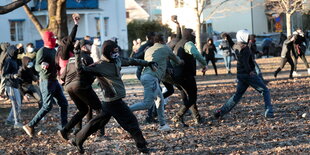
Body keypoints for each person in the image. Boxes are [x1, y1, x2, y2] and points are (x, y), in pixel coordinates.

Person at [71, 40, 155, 154]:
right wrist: (76, 53)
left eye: (117, 50)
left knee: (97, 123)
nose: (117, 53)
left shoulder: (117, 60)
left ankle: (77, 139)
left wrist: (147, 63)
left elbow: (131, 61)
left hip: (110, 101)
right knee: (131, 122)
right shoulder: (99, 65)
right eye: (114, 51)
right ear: (107, 52)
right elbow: (80, 70)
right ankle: (142, 146)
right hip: (113, 101)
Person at [214, 29, 274, 119]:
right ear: (244, 37)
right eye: (247, 36)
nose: (249, 37)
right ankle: (269, 112)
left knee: (237, 96)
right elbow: (245, 62)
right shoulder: (245, 48)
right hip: (248, 75)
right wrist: (250, 71)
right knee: (265, 91)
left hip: (241, 76)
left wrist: (228, 37)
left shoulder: (237, 46)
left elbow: (231, 44)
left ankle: (220, 112)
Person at [129, 34, 183, 131]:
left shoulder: (149, 49)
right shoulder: (165, 48)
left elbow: (157, 61)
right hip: (152, 78)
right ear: (163, 40)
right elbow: (177, 61)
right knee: (147, 104)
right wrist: (182, 61)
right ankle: (124, 111)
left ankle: (162, 125)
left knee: (160, 100)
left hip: (146, 76)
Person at [22, 30, 69, 138]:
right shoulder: (42, 51)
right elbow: (36, 66)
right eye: (52, 37)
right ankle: (30, 125)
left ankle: (64, 128)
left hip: (54, 80)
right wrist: (42, 66)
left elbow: (56, 64)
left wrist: (60, 72)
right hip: (46, 81)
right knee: (47, 106)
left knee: (64, 103)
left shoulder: (53, 50)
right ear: (48, 39)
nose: (54, 38)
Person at [57, 39, 103, 141]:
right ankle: (100, 133)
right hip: (81, 86)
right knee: (100, 109)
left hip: (69, 87)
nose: (91, 46)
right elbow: (91, 77)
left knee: (83, 110)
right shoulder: (88, 58)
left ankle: (65, 130)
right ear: (83, 47)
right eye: (89, 45)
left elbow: (62, 77)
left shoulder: (71, 59)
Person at [171, 28, 208, 126]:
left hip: (178, 75)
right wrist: (204, 64)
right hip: (186, 75)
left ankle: (197, 118)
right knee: (192, 97)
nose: (195, 36)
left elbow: (172, 60)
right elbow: (196, 53)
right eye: (193, 34)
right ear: (189, 35)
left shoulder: (178, 44)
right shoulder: (188, 44)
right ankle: (178, 116)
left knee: (188, 97)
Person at [3, 45, 23, 128]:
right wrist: (13, 75)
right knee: (14, 104)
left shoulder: (15, 60)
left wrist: (19, 71)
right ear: (11, 52)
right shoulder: (8, 60)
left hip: (15, 84)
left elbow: (17, 71)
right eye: (14, 52)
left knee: (19, 104)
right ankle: (16, 122)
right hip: (9, 85)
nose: (16, 53)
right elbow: (4, 74)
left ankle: (9, 120)